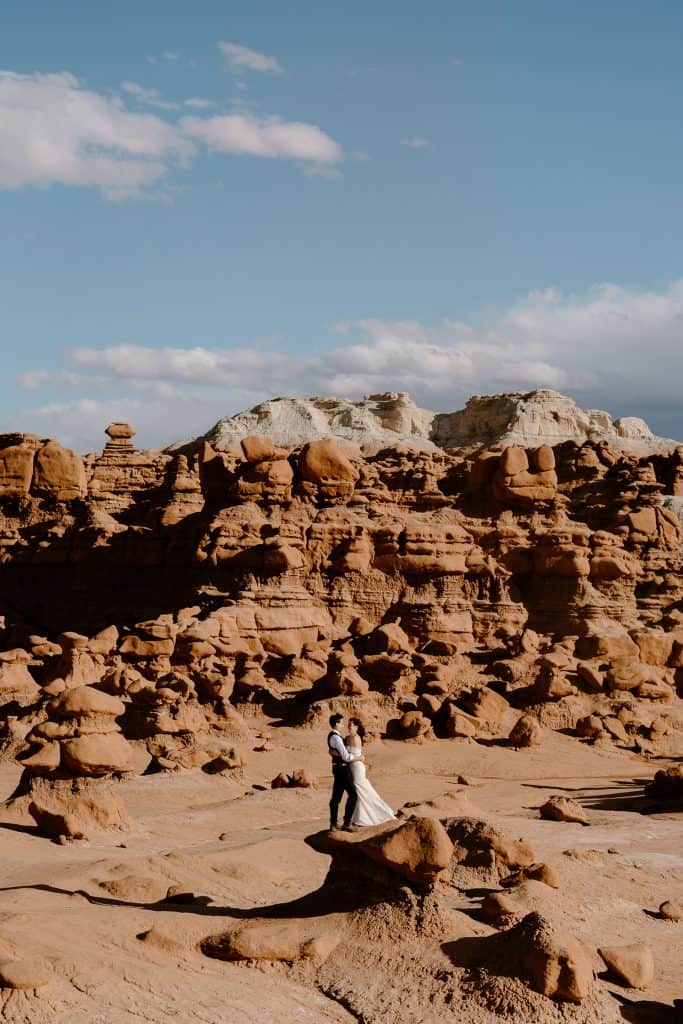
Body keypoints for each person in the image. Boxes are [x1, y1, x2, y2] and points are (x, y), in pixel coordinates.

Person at [345, 717, 395, 827]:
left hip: (357, 767)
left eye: (351, 725)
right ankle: (360, 817)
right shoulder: (347, 738)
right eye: (349, 725)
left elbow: (352, 756)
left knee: (361, 789)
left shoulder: (356, 738)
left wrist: (354, 758)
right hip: (351, 767)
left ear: (357, 727)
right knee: (357, 791)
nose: (349, 726)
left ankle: (382, 813)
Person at [327, 712, 360, 832]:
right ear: (336, 724)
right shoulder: (336, 737)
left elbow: (336, 752)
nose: (343, 725)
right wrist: (358, 758)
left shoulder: (332, 736)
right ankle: (347, 822)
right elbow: (346, 757)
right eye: (341, 723)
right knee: (353, 794)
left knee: (336, 797)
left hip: (337, 768)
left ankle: (333, 823)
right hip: (342, 768)